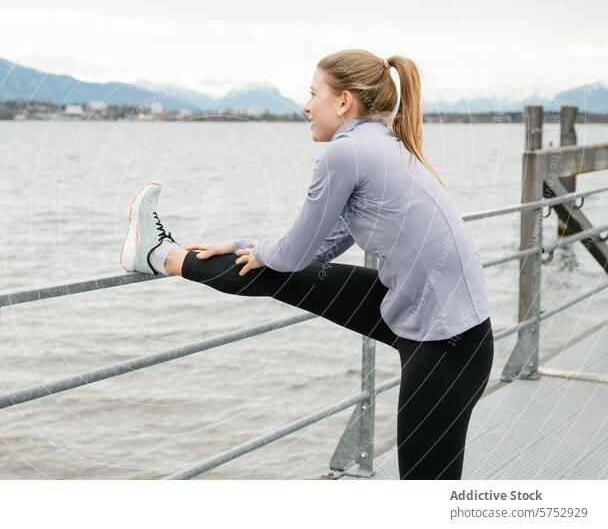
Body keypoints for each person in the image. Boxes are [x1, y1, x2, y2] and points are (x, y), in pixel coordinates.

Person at [119, 49, 494, 480]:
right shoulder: (383, 146)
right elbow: (320, 247)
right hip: (432, 320)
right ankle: (158, 253)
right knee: (272, 272)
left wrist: (258, 250)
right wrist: (252, 247)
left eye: (313, 93)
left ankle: (156, 254)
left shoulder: (346, 154)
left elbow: (295, 254)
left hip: (445, 348)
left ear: (343, 102)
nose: (305, 105)